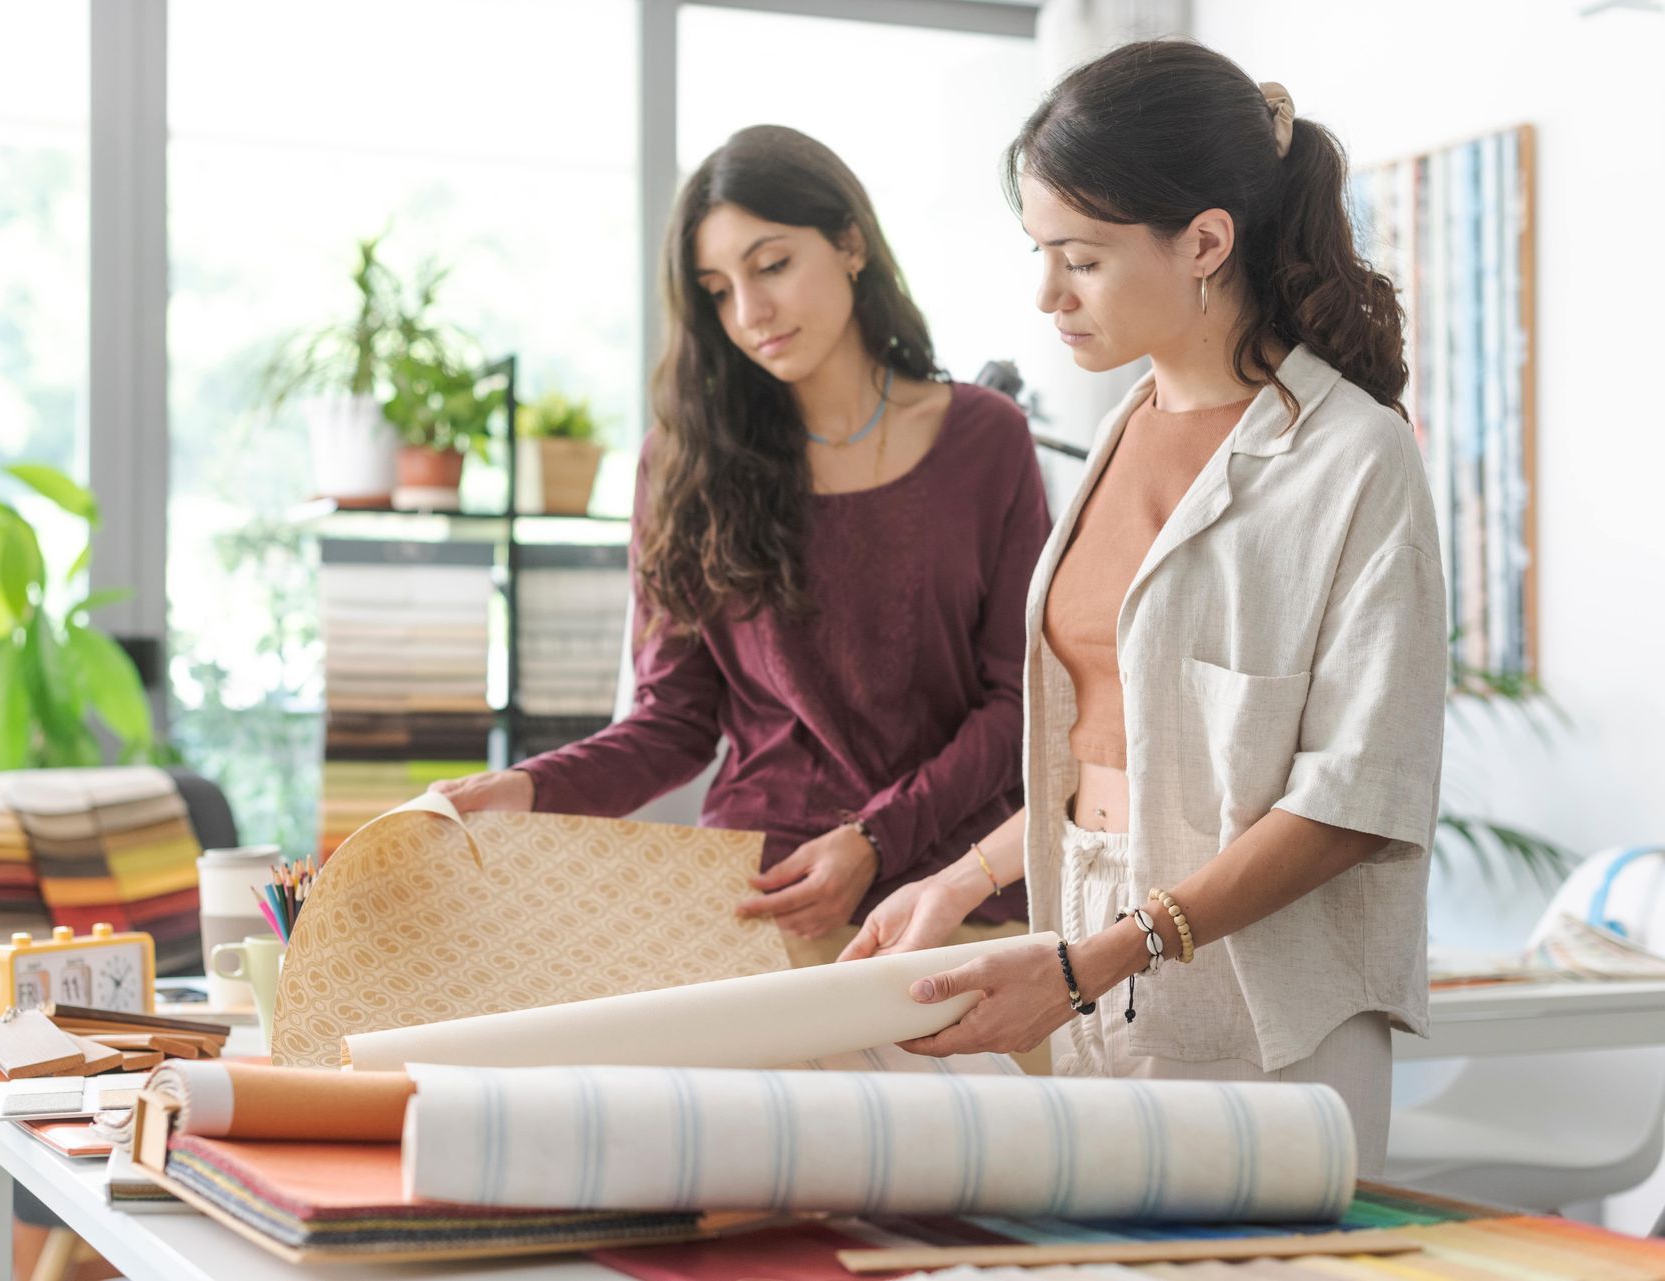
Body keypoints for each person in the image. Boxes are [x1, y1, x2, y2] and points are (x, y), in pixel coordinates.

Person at [840, 41, 1447, 1173]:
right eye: (1039, 251)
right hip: (1091, 966)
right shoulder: (1120, 431)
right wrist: (958, 882)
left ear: (1206, 242)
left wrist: (1093, 961)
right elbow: (1115, 748)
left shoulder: (1356, 461)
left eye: (1081, 258)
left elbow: (1357, 798)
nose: (1046, 293)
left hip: (1265, 1014)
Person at [434, 125, 1051, 963]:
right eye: (717, 289)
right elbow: (674, 721)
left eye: (771, 266)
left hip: (954, 897)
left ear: (850, 243)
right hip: (761, 903)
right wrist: (532, 787)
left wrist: (873, 838)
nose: (749, 313)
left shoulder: (986, 438)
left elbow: (1019, 703)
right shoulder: (684, 464)